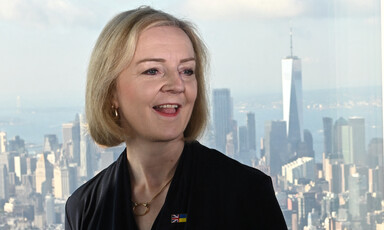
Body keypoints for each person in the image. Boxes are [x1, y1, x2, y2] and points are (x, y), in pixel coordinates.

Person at [65, 6, 287, 230]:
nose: (177, 85)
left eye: (187, 71)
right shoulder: (84, 208)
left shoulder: (245, 193)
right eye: (153, 71)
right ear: (111, 92)